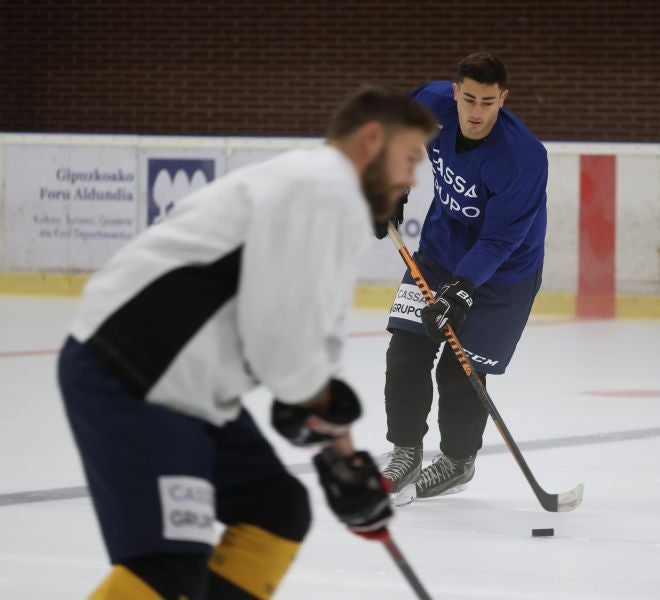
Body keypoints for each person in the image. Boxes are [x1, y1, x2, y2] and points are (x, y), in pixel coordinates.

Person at [57, 85, 438, 599]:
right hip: (135, 374)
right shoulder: (323, 188)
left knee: (274, 509)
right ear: (372, 138)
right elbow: (282, 344)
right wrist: (337, 450)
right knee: (167, 568)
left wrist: (342, 459)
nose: (412, 177)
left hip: (184, 383)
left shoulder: (323, 193)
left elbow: (312, 343)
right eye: (410, 157)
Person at [377, 53, 548, 502]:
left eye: (487, 102)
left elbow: (498, 242)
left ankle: (456, 461)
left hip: (502, 275)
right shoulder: (432, 104)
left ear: (503, 100)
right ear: (454, 92)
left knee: (460, 370)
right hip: (438, 253)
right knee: (406, 348)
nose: (475, 113)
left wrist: (462, 290)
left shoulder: (524, 158)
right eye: (468, 98)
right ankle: (405, 453)